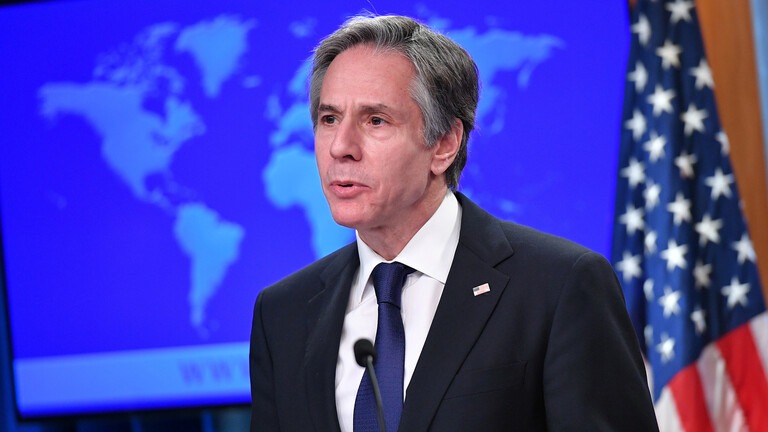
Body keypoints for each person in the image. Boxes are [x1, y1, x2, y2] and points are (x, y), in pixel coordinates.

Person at [249, 14, 658, 431]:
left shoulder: (558, 287)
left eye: (375, 120)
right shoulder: (283, 314)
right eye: (329, 119)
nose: (341, 147)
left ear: (444, 144)